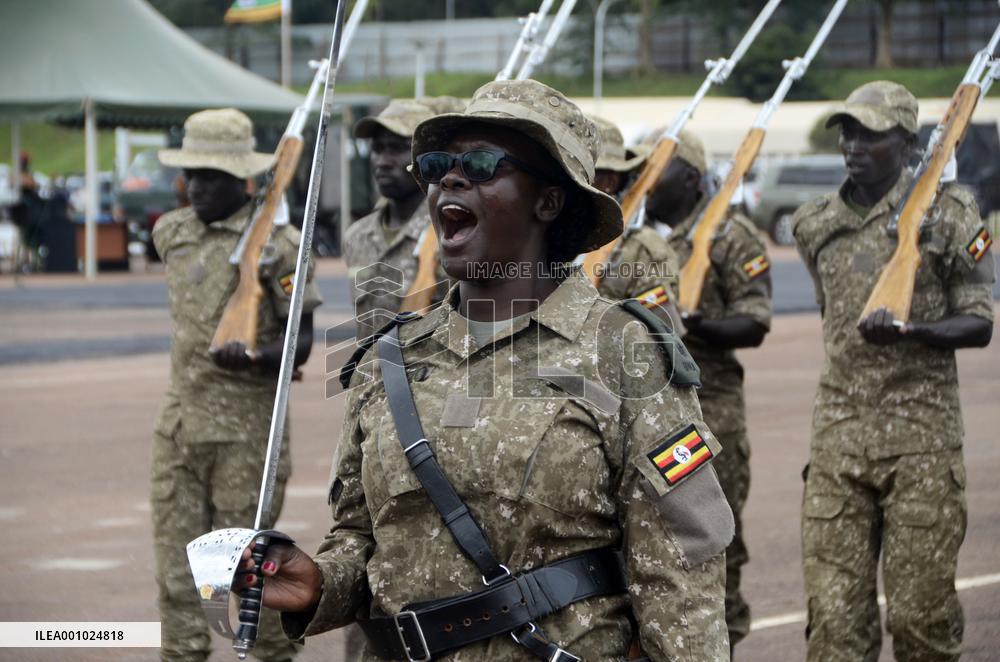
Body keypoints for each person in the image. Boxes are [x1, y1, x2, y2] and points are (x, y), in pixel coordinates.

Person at [237, 79, 733, 661]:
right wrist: (317, 583)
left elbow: (681, 572)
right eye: (440, 164)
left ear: (548, 201)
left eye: (480, 164)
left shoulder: (625, 353)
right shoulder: (387, 360)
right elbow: (364, 541)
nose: (450, 178)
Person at [793, 81, 994, 662]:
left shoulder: (951, 216)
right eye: (848, 132)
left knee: (921, 623)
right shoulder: (815, 224)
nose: (855, 145)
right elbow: (833, 319)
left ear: (907, 142)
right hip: (838, 444)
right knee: (833, 627)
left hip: (922, 445)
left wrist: (915, 332)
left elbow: (979, 322)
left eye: (872, 134)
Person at [152, 107, 322, 662]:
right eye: (192, 174)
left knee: (250, 576)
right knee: (178, 575)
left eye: (213, 176)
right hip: (178, 429)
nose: (198, 187)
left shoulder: (280, 245)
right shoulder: (171, 232)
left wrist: (252, 356)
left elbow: (300, 343)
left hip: (246, 438)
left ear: (243, 179)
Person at [645, 128, 772, 651]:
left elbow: (755, 321)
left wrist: (695, 326)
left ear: (692, 177)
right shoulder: (644, 243)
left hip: (713, 412)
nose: (648, 177)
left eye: (661, 167)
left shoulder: (731, 235)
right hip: (655, 415)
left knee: (718, 546)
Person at [343, 100, 441, 341]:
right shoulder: (357, 236)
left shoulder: (450, 232)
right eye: (377, 149)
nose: (382, 161)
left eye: (397, 149)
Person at [586, 114, 680, 327]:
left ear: (609, 181)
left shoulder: (643, 251)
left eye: (582, 172)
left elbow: (663, 339)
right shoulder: (543, 237)